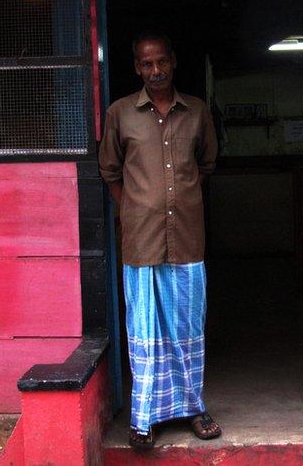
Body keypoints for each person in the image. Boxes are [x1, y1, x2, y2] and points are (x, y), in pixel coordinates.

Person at [99, 32, 220, 448]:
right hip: (142, 241)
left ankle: (193, 408)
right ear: (137, 67)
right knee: (145, 333)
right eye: (146, 64)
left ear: (173, 61)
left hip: (186, 237)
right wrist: (131, 209)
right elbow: (111, 171)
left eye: (161, 62)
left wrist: (178, 197)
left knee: (187, 330)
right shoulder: (120, 114)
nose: (155, 71)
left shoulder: (197, 112)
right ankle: (144, 418)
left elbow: (205, 164)